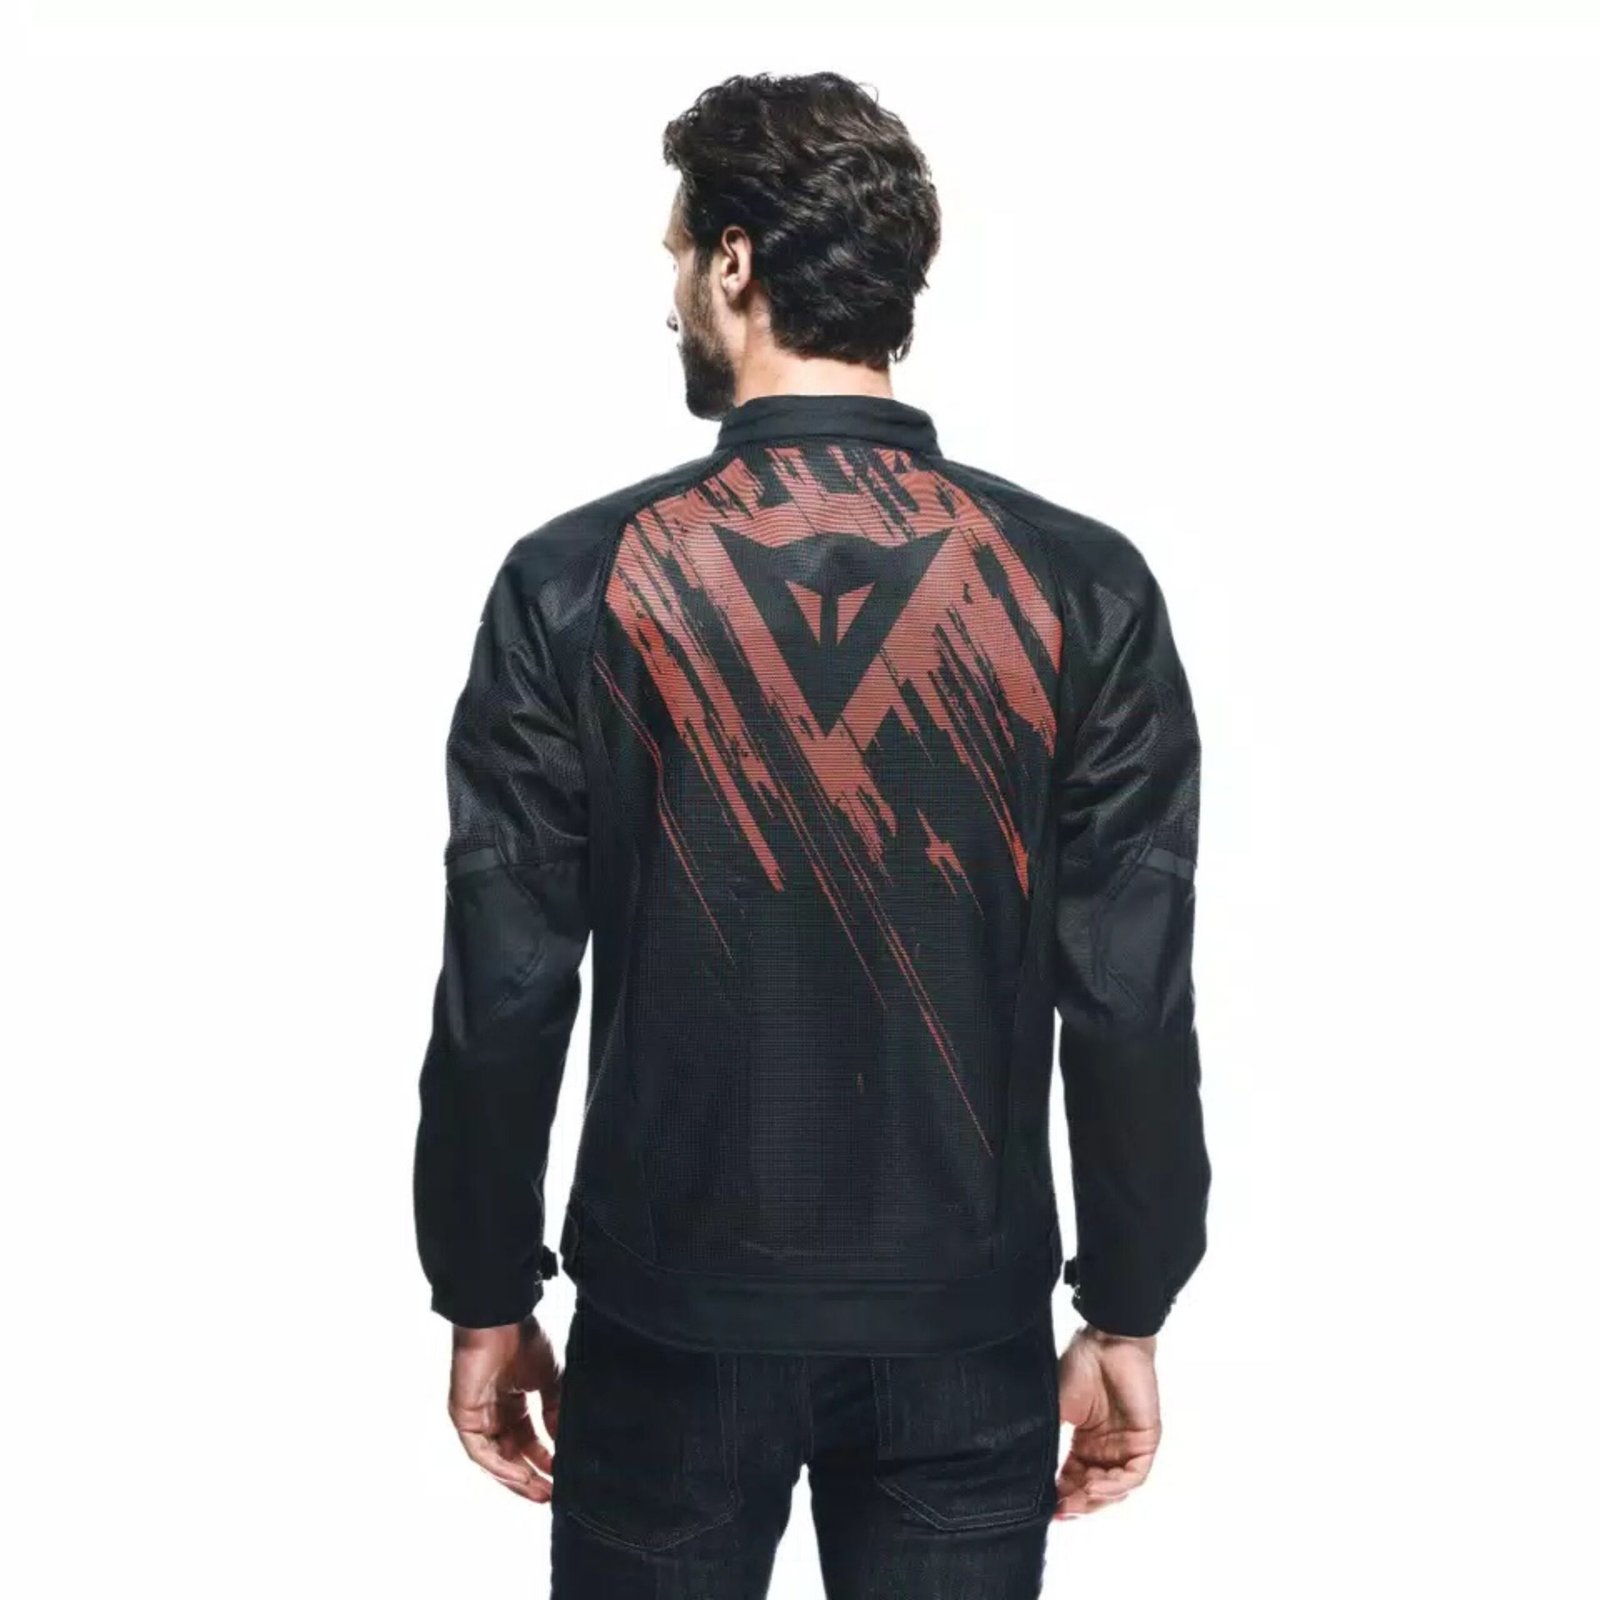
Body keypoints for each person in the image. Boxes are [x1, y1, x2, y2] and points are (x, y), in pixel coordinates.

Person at [412, 69, 1211, 1599]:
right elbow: (1130, 995)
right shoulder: (1080, 587)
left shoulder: (580, 582)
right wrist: (1127, 1303)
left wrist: (483, 1290)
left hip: (668, 1322)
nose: (671, 291)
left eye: (676, 252)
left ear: (734, 262)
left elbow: (503, 986)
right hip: (961, 1333)